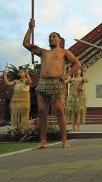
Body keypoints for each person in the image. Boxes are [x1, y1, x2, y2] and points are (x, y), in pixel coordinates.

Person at [23, 19, 81, 149]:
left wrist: (67, 74)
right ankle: (43, 141)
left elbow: (77, 64)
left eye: (54, 36)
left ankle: (65, 141)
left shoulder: (64, 52)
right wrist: (30, 28)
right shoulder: (43, 52)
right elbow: (26, 44)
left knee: (59, 111)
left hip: (57, 83)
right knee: (42, 112)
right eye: (50, 37)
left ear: (59, 40)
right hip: (43, 83)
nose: (51, 38)